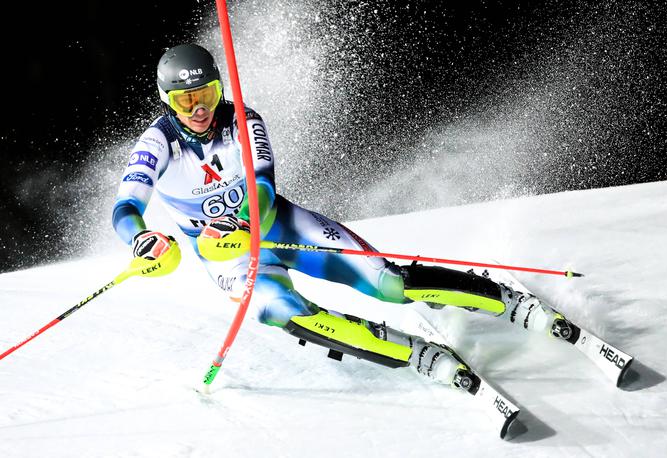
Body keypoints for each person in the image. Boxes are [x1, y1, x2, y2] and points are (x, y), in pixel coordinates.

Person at [113, 43, 575, 390]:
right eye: (184, 101)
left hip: (282, 228)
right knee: (283, 313)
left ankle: (505, 301)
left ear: (219, 88)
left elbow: (264, 188)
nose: (199, 109)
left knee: (391, 285)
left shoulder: (243, 120)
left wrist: (247, 222)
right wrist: (141, 239)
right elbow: (126, 208)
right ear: (166, 101)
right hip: (232, 261)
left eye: (208, 94)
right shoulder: (157, 145)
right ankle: (411, 354)